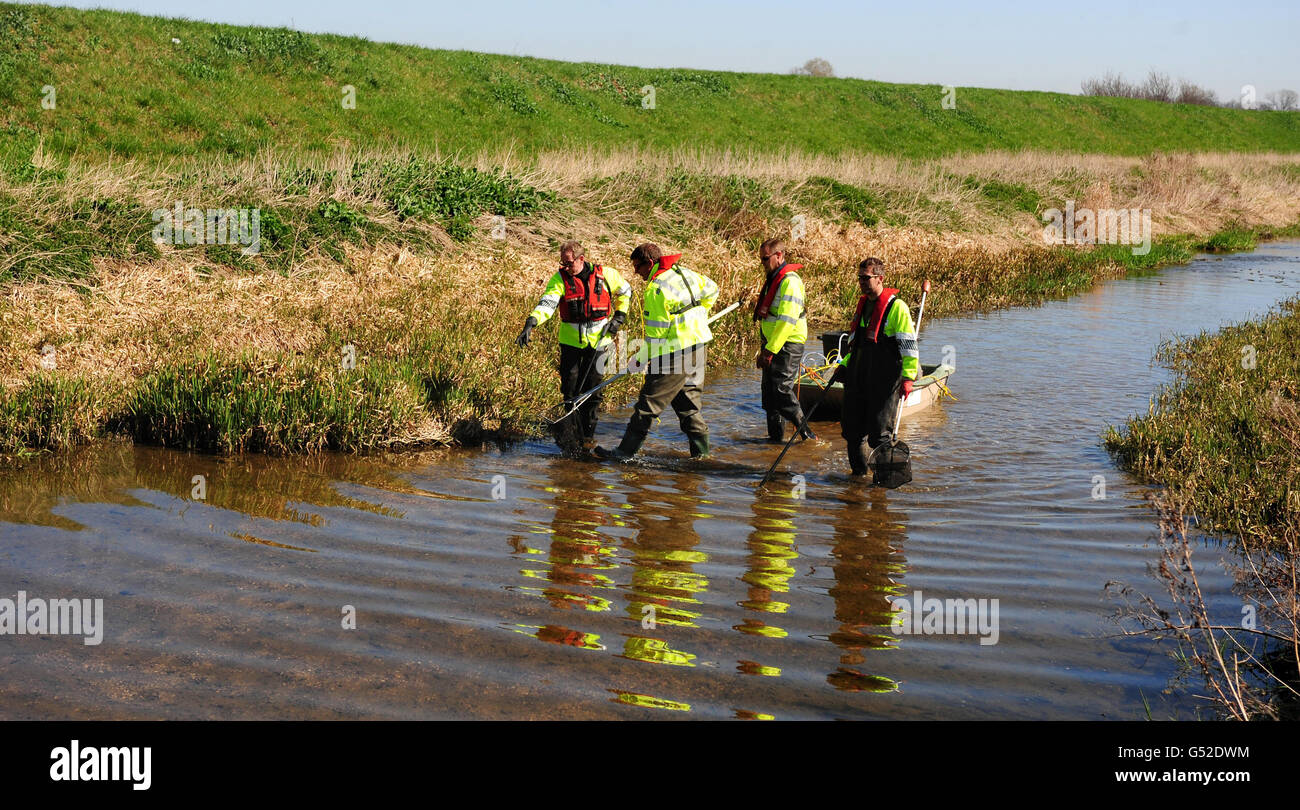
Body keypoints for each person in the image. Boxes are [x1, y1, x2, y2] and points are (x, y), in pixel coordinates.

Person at [596, 243, 718, 461]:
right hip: (699, 347)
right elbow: (713, 289)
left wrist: (637, 360)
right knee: (688, 405)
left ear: (650, 263)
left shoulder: (656, 289)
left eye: (638, 267)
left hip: (675, 353)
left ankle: (623, 454)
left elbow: (656, 338)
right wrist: (700, 316)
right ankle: (702, 458)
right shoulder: (686, 273)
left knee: (648, 405)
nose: (636, 272)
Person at [516, 241, 630, 446]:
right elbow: (548, 302)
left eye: (569, 264)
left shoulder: (607, 275)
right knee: (570, 390)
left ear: (581, 259)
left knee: (593, 390)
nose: (565, 267)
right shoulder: (560, 279)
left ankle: (588, 437)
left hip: (599, 342)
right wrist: (531, 322)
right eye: (563, 263)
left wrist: (618, 318)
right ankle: (572, 433)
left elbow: (625, 291)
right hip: (570, 343)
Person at [831, 258, 919, 475]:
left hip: (884, 381)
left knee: (879, 436)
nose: (861, 282)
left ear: (880, 278)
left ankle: (882, 486)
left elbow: (909, 347)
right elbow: (857, 345)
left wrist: (908, 378)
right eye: (859, 277)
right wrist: (843, 365)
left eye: (866, 278)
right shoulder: (862, 306)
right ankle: (858, 479)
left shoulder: (897, 308)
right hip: (858, 377)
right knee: (852, 431)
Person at [753, 237, 813, 442]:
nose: (762, 263)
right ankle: (775, 441)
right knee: (769, 395)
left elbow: (787, 322)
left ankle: (807, 435)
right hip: (772, 342)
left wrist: (769, 352)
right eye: (761, 259)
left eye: (765, 259)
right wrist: (767, 347)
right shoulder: (774, 279)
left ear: (779, 256)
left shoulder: (790, 282)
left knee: (781, 389)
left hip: (788, 343)